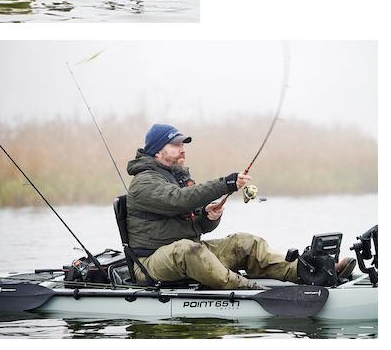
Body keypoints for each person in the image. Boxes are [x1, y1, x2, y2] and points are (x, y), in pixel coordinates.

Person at [126, 123, 356, 289]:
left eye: (183, 144)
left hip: (183, 253)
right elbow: (180, 199)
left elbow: (197, 226)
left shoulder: (173, 177)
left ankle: (307, 272)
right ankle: (250, 289)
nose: (183, 149)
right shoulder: (144, 182)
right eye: (175, 145)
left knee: (245, 243)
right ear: (158, 150)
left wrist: (207, 218)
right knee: (189, 249)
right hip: (150, 264)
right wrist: (227, 183)